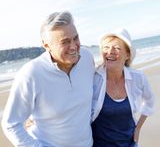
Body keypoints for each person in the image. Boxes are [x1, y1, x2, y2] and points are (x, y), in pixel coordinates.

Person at [1, 11, 95, 147]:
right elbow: (11, 124)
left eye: (76, 38)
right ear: (46, 46)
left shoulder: (87, 57)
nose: (74, 46)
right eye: (65, 42)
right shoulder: (31, 74)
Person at [91, 28, 155, 147]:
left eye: (117, 48)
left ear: (127, 55)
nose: (110, 51)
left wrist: (138, 128)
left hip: (130, 143)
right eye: (106, 47)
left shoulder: (138, 77)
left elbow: (150, 101)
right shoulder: (93, 78)